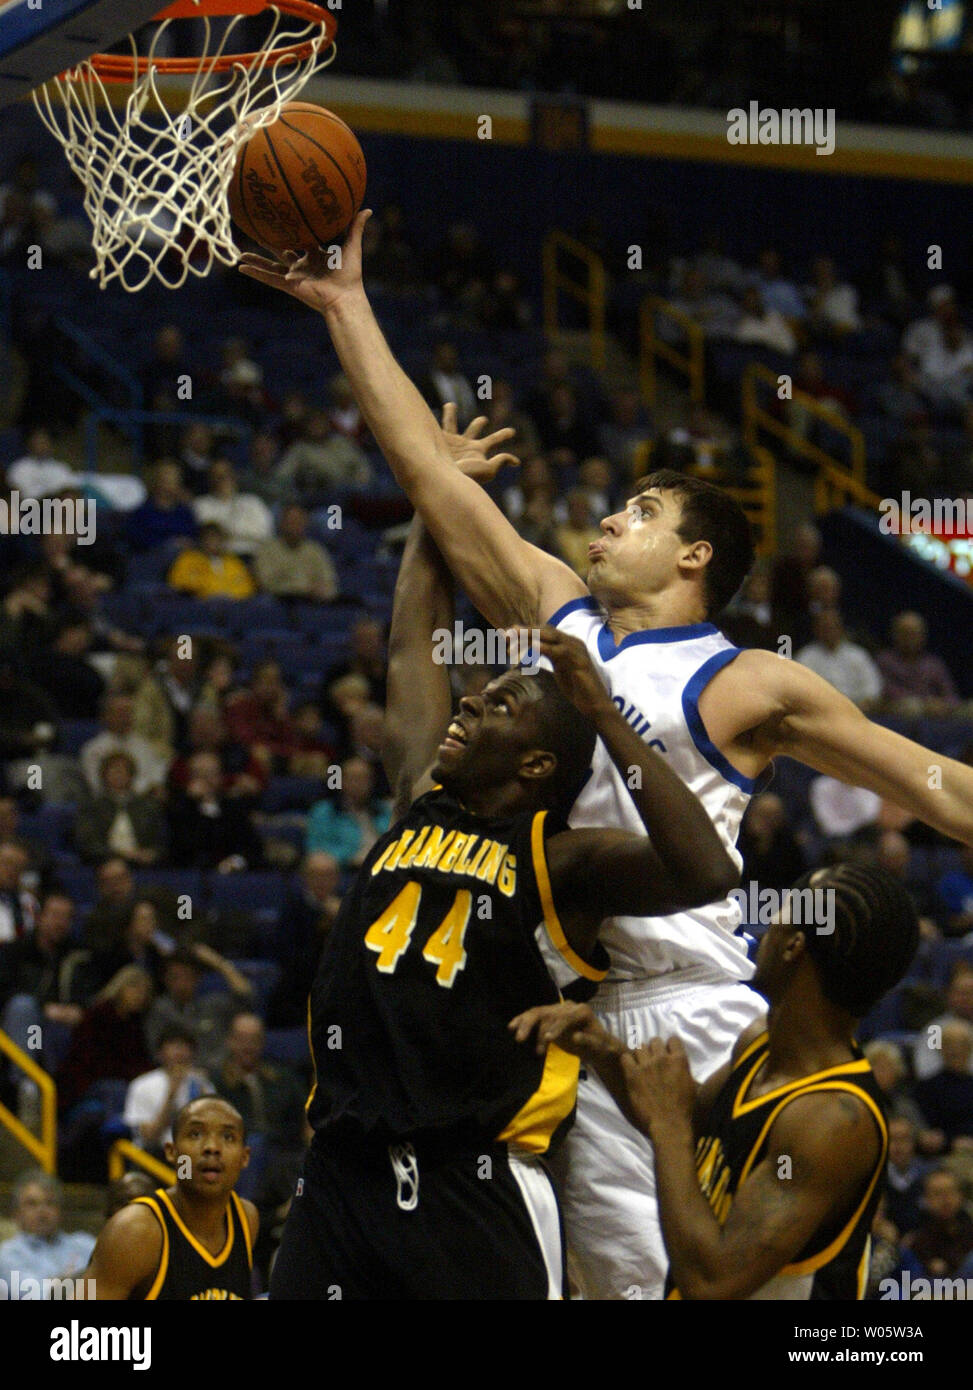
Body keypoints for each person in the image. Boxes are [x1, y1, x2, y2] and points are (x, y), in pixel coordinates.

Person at [240, 212, 973, 1299]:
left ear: (694, 554)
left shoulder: (746, 679)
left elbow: (936, 781)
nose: (609, 519)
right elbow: (429, 478)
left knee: (709, 1285)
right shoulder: (555, 607)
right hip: (558, 1006)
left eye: (640, 511)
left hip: (690, 1003)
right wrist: (347, 304)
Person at [268, 490, 737, 1301]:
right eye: (479, 697)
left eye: (500, 706)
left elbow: (705, 872)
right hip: (343, 1161)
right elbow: (411, 648)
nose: (472, 702)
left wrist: (601, 710)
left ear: (534, 766)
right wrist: (428, 510)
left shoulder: (561, 861)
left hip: (473, 1173)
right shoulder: (420, 796)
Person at [512, 863, 919, 1299]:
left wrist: (669, 1128)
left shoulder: (833, 1121)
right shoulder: (759, 1042)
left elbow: (712, 1283)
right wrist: (601, 1047)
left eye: (781, 913)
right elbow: (680, 1114)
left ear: (794, 947)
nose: (766, 924)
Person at [84, 1096, 257, 1299]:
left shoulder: (246, 1218)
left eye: (228, 1137)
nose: (212, 1147)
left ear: (244, 1157)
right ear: (172, 1153)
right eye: (195, 1134)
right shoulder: (136, 1229)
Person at [123, 1024, 214, 1154]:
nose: (180, 1052)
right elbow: (149, 1137)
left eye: (185, 1047)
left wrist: (203, 1094)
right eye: (174, 1046)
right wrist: (171, 1095)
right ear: (160, 1053)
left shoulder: (202, 1083)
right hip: (154, 1154)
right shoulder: (142, 1085)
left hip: (192, 1155)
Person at [0, 1170, 95, 1292]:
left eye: (49, 1203)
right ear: (16, 1213)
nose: (42, 1211)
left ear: (60, 1210)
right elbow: (36, 1294)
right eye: (32, 1204)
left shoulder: (84, 1244)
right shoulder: (9, 1254)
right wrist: (84, 1278)